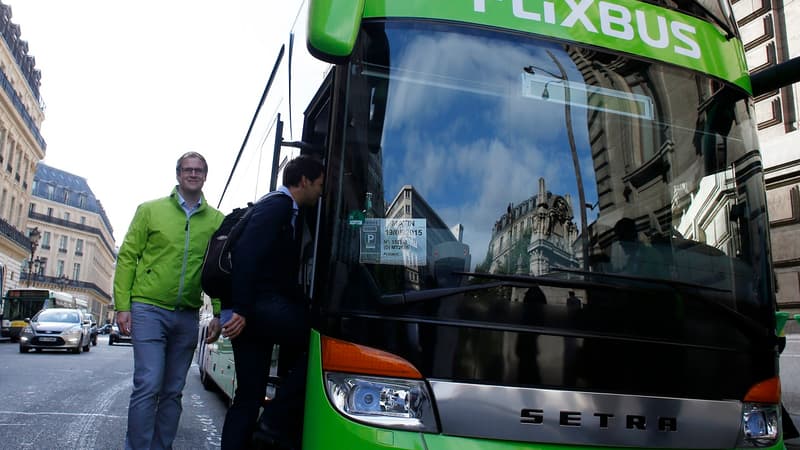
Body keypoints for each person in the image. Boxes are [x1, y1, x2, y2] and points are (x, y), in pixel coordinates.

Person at [114, 151, 225, 450]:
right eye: (187, 169)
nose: (192, 174)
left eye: (198, 170)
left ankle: (161, 446)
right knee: (149, 384)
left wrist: (218, 312)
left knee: (174, 390)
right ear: (177, 175)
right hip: (148, 308)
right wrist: (122, 305)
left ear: (205, 175)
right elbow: (127, 257)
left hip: (187, 315)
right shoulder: (149, 210)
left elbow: (216, 270)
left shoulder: (216, 220)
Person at [221, 154, 325, 450]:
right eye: (318, 184)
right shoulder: (278, 206)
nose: (321, 192)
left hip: (252, 311)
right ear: (303, 181)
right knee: (323, 345)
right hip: (258, 308)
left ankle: (260, 431)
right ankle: (275, 421)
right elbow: (246, 255)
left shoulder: (275, 206)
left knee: (249, 396)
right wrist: (241, 309)